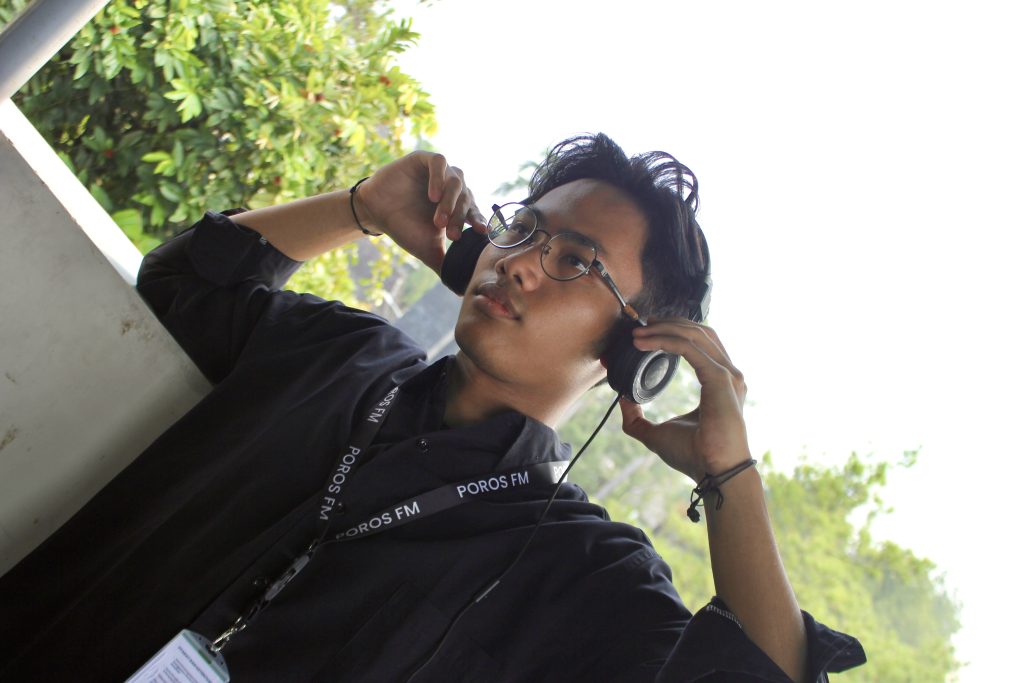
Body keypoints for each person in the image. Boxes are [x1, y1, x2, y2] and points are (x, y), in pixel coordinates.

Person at [0, 134, 865, 681]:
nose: (517, 261)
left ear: (631, 353)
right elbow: (186, 280)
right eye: (523, 229)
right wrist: (360, 208)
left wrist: (729, 476)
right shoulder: (338, 353)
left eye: (575, 262)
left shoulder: (581, 571)